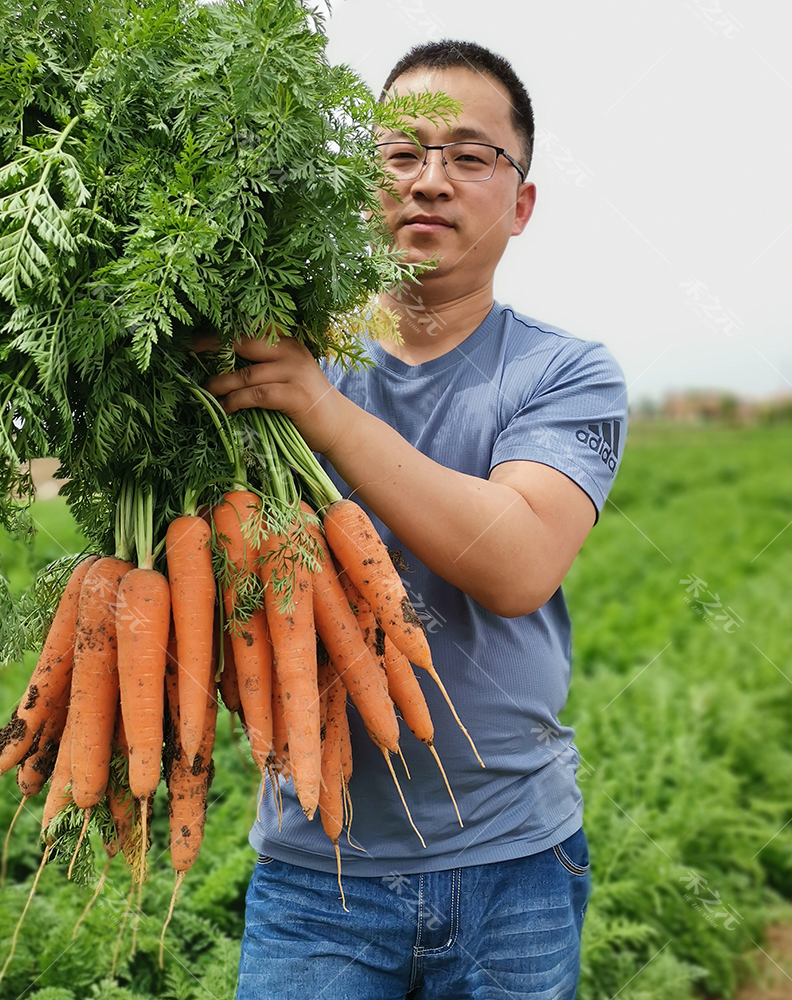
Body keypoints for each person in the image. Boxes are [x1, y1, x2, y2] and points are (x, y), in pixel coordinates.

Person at [208, 39, 627, 1000]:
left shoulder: (564, 372)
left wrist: (314, 403)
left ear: (519, 204)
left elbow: (519, 562)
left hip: (514, 859)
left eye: (469, 156)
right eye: (402, 154)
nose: (429, 182)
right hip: (319, 867)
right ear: (361, 186)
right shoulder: (267, 351)